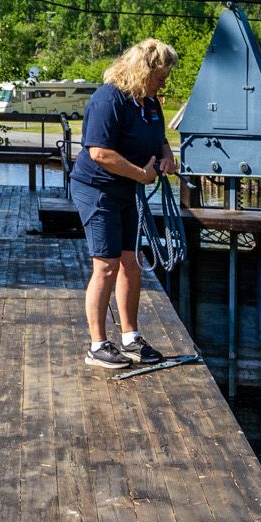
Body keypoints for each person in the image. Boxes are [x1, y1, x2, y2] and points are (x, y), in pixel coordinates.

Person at [69, 38, 177, 370]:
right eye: (162, 74)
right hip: (97, 190)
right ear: (146, 70)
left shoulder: (150, 102)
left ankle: (130, 338)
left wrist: (166, 157)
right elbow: (98, 152)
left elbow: (160, 140)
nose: (165, 81)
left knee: (132, 262)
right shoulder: (108, 100)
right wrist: (140, 174)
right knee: (106, 265)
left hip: (128, 190)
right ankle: (97, 345)